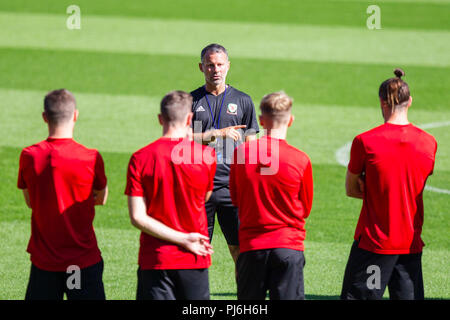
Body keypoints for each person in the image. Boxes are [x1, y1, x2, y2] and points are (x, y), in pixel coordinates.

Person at [341, 68, 438, 300]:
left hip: (374, 246)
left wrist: (375, 189)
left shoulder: (365, 141)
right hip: (410, 245)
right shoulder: (429, 143)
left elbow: (351, 189)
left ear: (382, 102)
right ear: (410, 101)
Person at [17, 89, 108, 300]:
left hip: (45, 265)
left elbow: (31, 202)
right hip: (79, 263)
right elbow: (101, 198)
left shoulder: (29, 156)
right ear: (75, 115)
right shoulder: (91, 157)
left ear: (44, 117)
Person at [125, 90, 216, 300]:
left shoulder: (140, 158)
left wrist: (181, 239)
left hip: (155, 259)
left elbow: (137, 217)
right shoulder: (206, 156)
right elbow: (204, 198)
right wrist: (186, 238)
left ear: (160, 118)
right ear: (190, 118)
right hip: (195, 257)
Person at [229, 91, 313, 300]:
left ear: (260, 120)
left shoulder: (241, 153)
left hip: (252, 247)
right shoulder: (300, 159)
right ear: (291, 121)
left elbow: (235, 198)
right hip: (288, 246)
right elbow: (306, 208)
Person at [191, 43, 260, 263]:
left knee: (240, 252)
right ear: (201, 67)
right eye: (210, 65)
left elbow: (251, 147)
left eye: (220, 64)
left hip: (233, 188)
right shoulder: (190, 101)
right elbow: (179, 139)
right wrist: (217, 134)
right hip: (200, 188)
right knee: (196, 250)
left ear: (228, 66)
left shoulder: (243, 100)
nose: (216, 70)